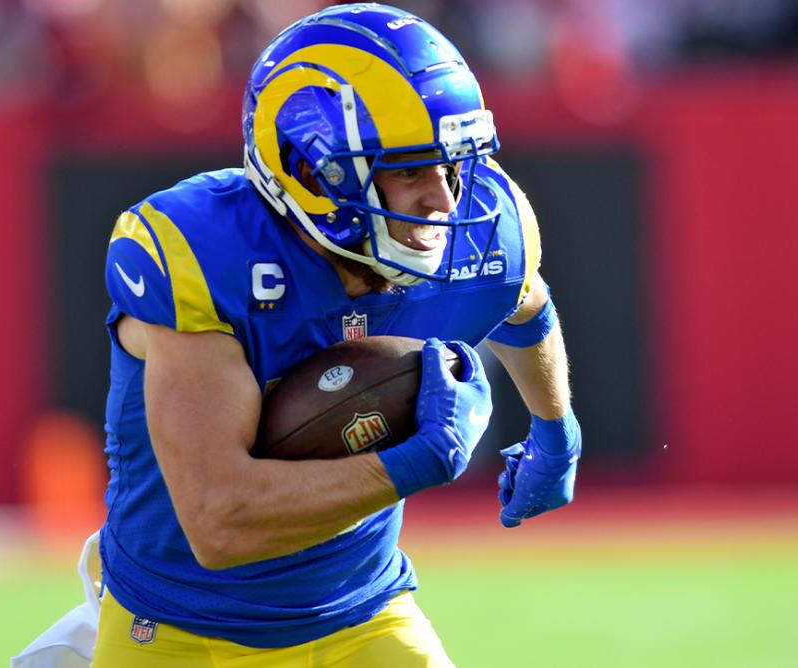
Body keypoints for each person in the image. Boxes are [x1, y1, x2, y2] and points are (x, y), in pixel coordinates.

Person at [78, 4, 581, 667]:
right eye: (409, 170)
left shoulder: (480, 228)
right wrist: (415, 461)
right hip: (181, 630)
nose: (444, 200)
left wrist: (556, 429)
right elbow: (219, 522)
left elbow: (524, 301)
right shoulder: (204, 253)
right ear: (315, 172)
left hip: (364, 612)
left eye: (450, 165)